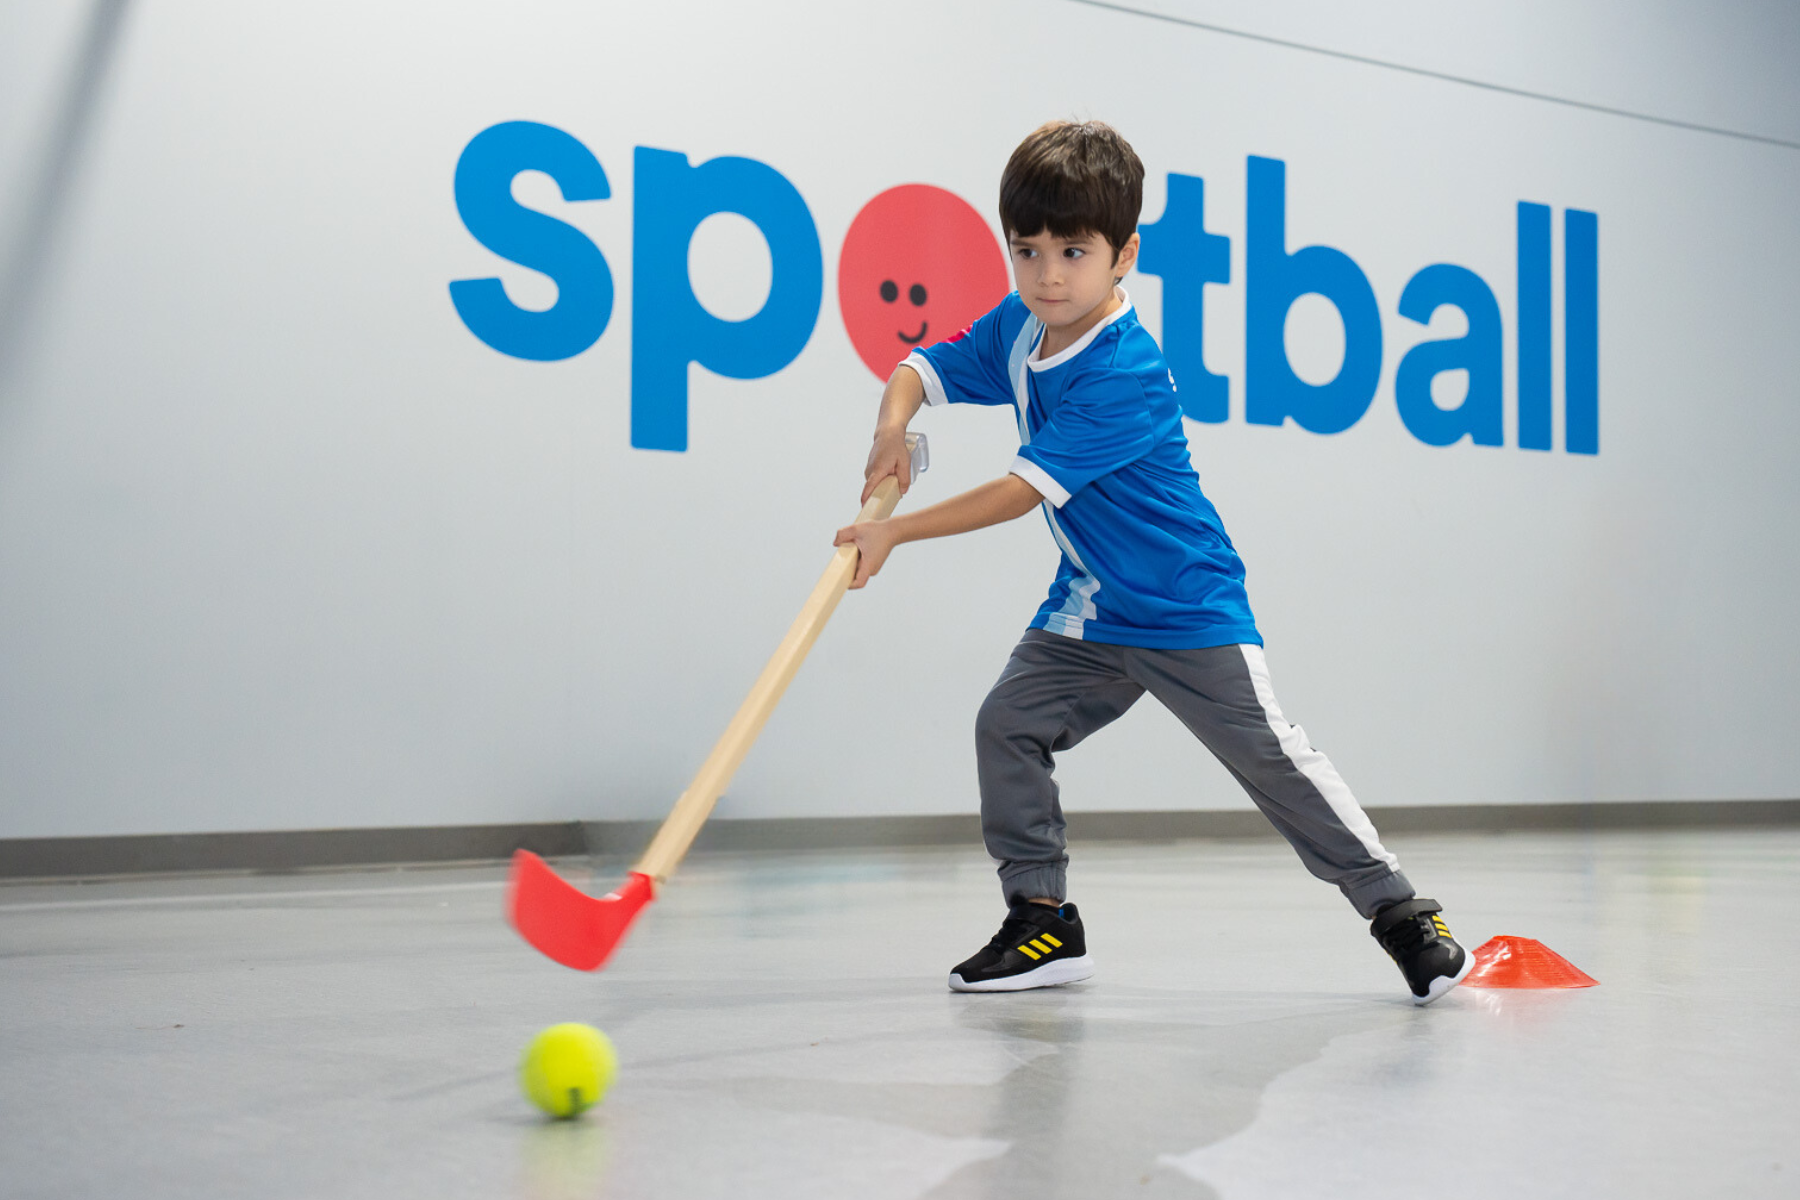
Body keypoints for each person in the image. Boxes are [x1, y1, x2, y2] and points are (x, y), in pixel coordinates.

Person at [833, 120, 1471, 1006]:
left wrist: (894, 533)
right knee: (1006, 727)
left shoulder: (1123, 369)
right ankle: (1043, 922)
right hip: (1091, 610)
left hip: (1183, 607)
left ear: (1123, 253)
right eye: (1027, 251)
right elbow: (923, 366)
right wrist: (891, 430)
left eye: (1073, 251)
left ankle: (1403, 913)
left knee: (1271, 762)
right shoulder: (1023, 326)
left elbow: (1022, 492)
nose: (1048, 274)